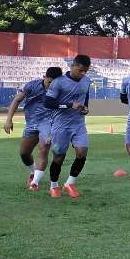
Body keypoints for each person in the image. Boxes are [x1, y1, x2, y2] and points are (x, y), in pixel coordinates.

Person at [43, 55, 92, 199]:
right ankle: (54, 185)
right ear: (73, 66)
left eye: (86, 71)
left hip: (78, 124)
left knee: (82, 153)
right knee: (59, 157)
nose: (83, 74)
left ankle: (70, 183)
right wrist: (69, 105)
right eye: (81, 70)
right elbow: (48, 103)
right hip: (60, 125)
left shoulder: (87, 81)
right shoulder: (59, 82)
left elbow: (85, 96)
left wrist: (85, 107)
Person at [4, 66, 61, 190]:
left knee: (43, 148)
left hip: (48, 122)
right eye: (49, 82)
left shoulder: (60, 90)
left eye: (54, 83)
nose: (51, 85)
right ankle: (33, 172)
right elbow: (17, 100)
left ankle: (34, 183)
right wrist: (9, 119)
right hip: (31, 123)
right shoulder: (32, 86)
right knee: (24, 153)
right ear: (44, 77)